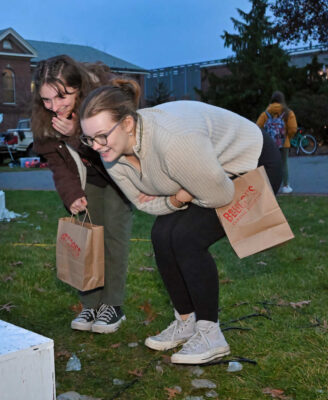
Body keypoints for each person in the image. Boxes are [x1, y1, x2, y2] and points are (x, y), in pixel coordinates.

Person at [79, 79, 282, 364]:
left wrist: (187, 194)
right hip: (205, 175)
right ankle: (186, 321)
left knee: (186, 237)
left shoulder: (173, 141)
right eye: (88, 139)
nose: (96, 146)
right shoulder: (112, 155)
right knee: (162, 235)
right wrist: (177, 200)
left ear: (126, 124)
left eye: (102, 136)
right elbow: (141, 201)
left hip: (251, 162)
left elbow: (221, 194)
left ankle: (211, 335)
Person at [31, 55, 133, 334]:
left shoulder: (103, 100)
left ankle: (113, 305)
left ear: (78, 87)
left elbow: (109, 149)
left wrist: (76, 132)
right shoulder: (45, 119)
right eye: (47, 100)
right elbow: (56, 163)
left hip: (117, 175)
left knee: (113, 237)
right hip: (87, 180)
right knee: (86, 238)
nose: (54, 107)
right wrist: (71, 194)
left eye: (62, 97)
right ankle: (91, 304)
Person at [256, 91, 297, 194]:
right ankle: (286, 186)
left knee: (268, 164)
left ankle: (268, 186)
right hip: (283, 143)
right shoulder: (288, 113)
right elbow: (293, 128)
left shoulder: (266, 113)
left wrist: (265, 139)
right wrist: (287, 137)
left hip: (269, 145)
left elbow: (257, 127)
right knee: (284, 164)